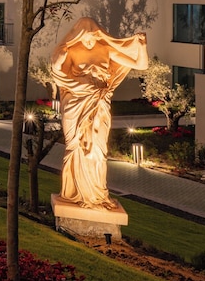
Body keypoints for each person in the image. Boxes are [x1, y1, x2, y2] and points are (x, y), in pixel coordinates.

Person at [51, 18, 148, 210]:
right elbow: (58, 74)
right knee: (77, 145)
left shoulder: (106, 49)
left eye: (93, 36)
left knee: (98, 148)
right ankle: (74, 192)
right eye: (85, 37)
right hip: (76, 102)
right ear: (77, 36)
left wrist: (142, 45)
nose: (89, 41)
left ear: (99, 35)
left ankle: (96, 193)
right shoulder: (71, 51)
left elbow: (141, 65)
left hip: (99, 102)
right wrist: (58, 61)